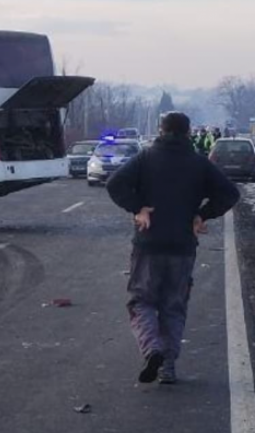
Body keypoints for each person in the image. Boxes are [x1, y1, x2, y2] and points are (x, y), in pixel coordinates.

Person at [107, 113, 239, 384]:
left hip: (148, 243)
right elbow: (230, 193)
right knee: (173, 306)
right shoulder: (199, 163)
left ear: (160, 130)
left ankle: (151, 348)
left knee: (141, 301)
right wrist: (202, 215)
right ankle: (168, 366)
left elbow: (114, 184)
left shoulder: (145, 158)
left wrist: (138, 208)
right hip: (182, 246)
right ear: (189, 132)